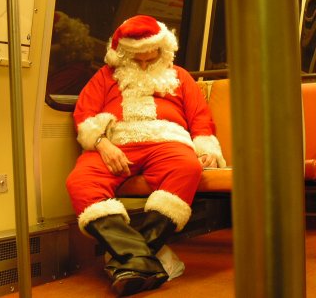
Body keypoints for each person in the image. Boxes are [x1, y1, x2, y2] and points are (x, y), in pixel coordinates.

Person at [66, 15, 226, 296]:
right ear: (123, 55)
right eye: (135, 60)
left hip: (167, 142)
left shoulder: (180, 76)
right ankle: (143, 261)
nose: (142, 65)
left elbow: (200, 118)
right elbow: (85, 115)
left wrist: (207, 149)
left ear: (162, 52)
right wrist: (102, 143)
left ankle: (129, 260)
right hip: (117, 144)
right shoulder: (105, 76)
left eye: (149, 60)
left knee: (187, 168)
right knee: (80, 181)